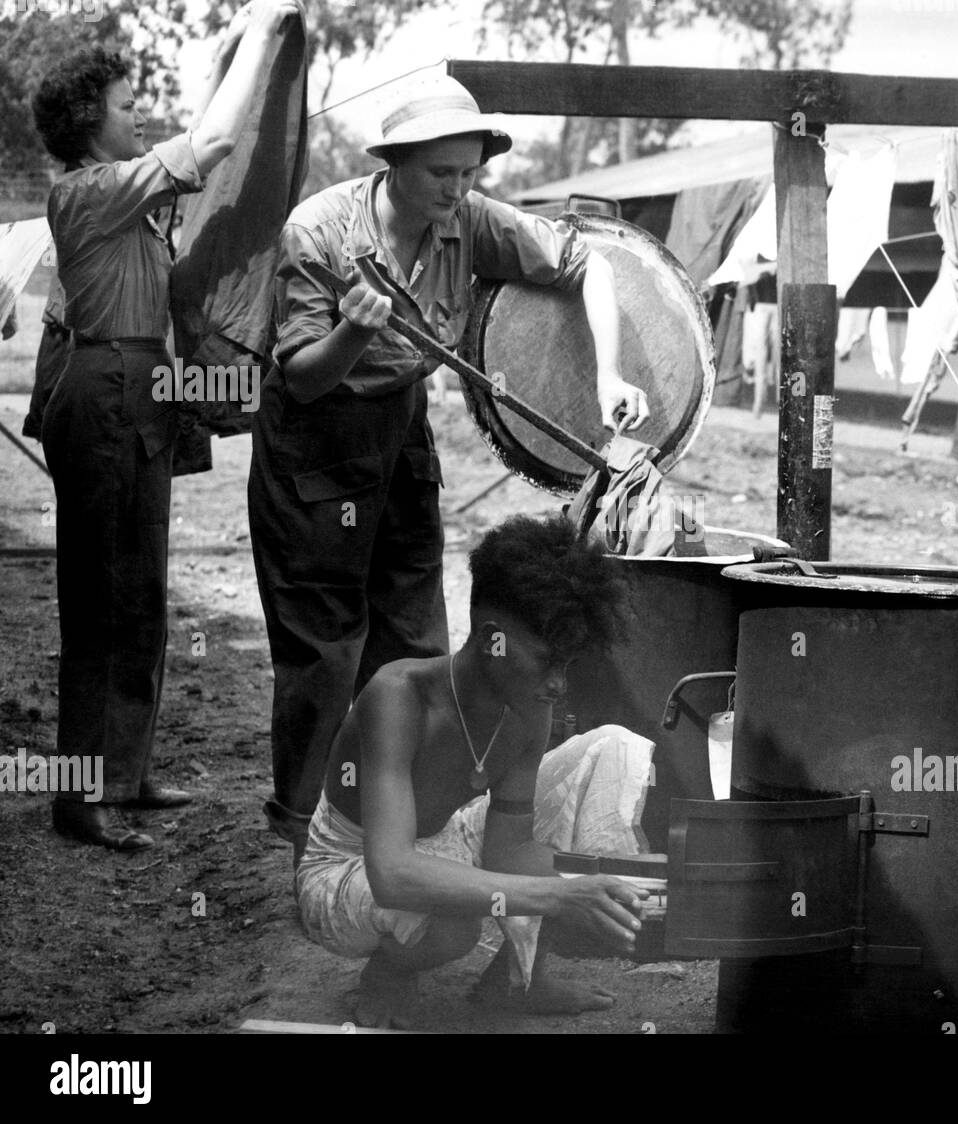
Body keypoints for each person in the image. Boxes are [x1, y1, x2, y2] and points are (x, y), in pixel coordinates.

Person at [249, 73, 651, 861]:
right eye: (442, 173)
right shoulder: (318, 232)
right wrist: (356, 333)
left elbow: (587, 265)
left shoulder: (467, 219)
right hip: (316, 438)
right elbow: (301, 375)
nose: (458, 189)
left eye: (470, 174)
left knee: (414, 633)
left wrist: (609, 376)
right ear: (395, 163)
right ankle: (302, 828)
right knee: (324, 650)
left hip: (400, 430)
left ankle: (411, 815)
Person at [32, 2, 300, 851]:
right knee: (100, 600)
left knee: (140, 592)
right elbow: (213, 144)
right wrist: (260, 35)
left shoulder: (130, 204)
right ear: (86, 122)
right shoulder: (85, 194)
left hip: (139, 389)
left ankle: (125, 774)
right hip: (105, 390)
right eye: (123, 104)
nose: (138, 113)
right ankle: (78, 797)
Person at [296, 514, 655, 1028]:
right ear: (492, 640)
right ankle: (390, 968)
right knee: (456, 925)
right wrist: (561, 894)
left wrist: (624, 879)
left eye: (568, 666)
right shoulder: (398, 697)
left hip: (445, 841)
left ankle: (515, 977)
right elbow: (393, 874)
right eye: (547, 661)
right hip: (351, 866)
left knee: (611, 751)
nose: (558, 685)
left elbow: (508, 851)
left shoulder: (530, 709)